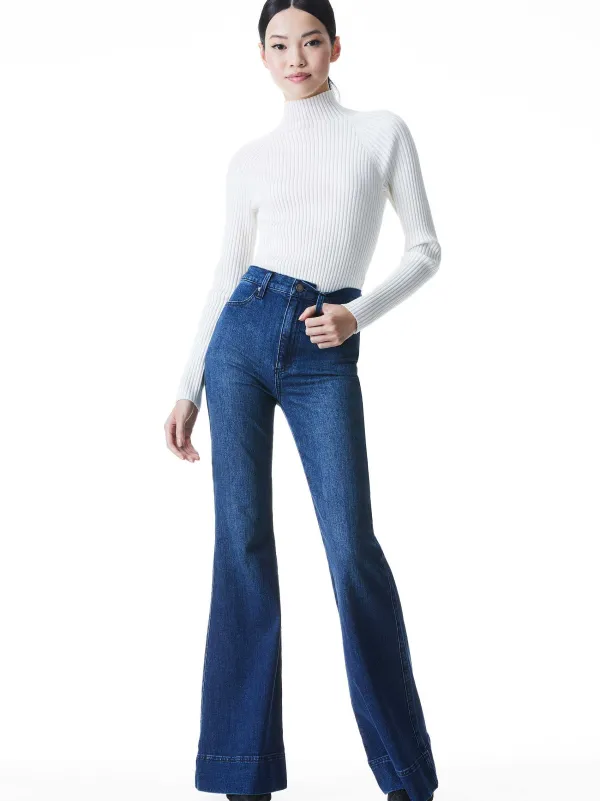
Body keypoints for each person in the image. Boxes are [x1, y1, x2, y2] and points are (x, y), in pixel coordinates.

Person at [164, 3, 441, 800]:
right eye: (279, 45)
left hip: (326, 347)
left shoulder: (381, 132)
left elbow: (426, 248)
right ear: (262, 56)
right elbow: (226, 274)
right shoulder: (249, 160)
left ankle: (407, 778)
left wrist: (358, 314)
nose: (296, 57)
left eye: (310, 42)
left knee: (352, 549)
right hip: (241, 340)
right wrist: (187, 384)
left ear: (335, 47)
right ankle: (241, 778)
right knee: (242, 546)